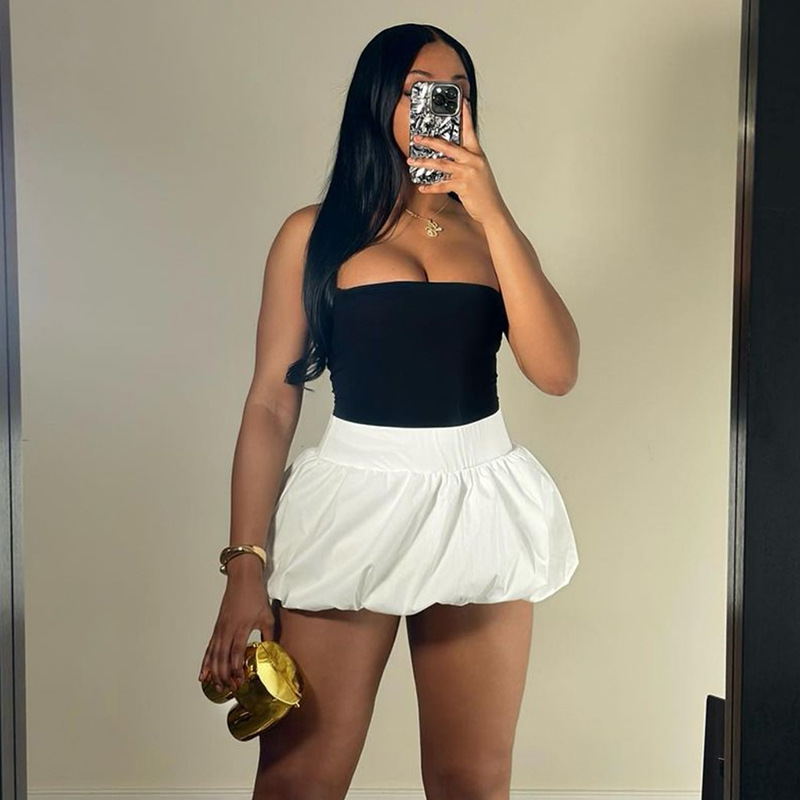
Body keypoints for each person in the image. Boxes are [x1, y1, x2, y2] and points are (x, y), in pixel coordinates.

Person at [198, 22, 580, 800]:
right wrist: (245, 566)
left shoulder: (491, 235)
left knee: (473, 782)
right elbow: (271, 402)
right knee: (301, 779)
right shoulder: (314, 234)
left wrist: (491, 207)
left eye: (457, 92)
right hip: (354, 500)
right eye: (419, 91)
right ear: (378, 103)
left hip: (480, 500)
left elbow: (557, 371)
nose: (442, 105)